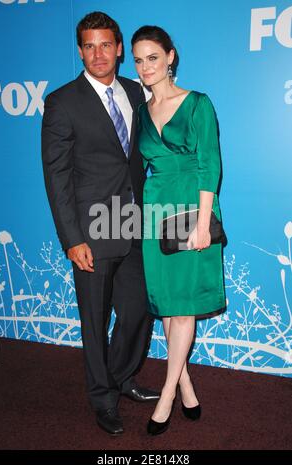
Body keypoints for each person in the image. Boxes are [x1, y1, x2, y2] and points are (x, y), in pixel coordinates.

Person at [41, 12, 159, 436]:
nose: (98, 54)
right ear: (79, 51)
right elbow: (56, 177)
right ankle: (103, 398)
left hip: (133, 221)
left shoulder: (135, 91)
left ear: (120, 48)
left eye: (105, 44)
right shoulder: (62, 101)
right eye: (89, 46)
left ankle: (121, 378)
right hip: (92, 229)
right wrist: (72, 239)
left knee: (137, 311)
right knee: (94, 320)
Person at [131, 26, 226, 435]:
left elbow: (211, 166)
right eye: (137, 59)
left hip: (191, 207)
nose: (145, 67)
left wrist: (203, 223)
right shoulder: (141, 111)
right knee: (168, 304)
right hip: (155, 210)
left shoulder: (198, 104)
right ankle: (186, 383)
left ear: (171, 57)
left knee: (183, 305)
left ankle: (167, 393)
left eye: (152, 57)